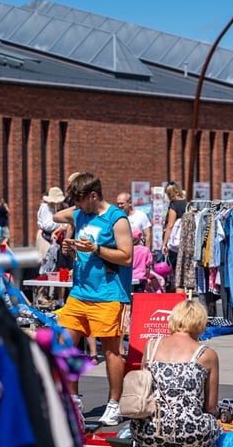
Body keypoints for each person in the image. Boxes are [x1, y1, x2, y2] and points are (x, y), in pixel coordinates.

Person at [55, 172, 133, 426]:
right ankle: (73, 402)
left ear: (93, 195)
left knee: (112, 351)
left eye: (79, 200)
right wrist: (70, 246)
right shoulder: (79, 214)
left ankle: (114, 403)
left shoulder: (116, 219)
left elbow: (127, 257)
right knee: (65, 344)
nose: (76, 206)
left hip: (109, 295)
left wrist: (96, 249)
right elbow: (57, 216)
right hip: (79, 293)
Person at [129, 299, 221, 447]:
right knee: (212, 424)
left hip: (149, 430)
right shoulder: (207, 354)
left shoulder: (151, 345)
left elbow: (142, 390)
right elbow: (211, 408)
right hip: (187, 433)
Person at [161, 181, 187, 276]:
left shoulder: (174, 205)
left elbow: (170, 225)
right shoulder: (187, 204)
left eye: (169, 194)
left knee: (177, 274)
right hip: (186, 242)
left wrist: (164, 243)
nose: (169, 197)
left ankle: (178, 291)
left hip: (175, 244)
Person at [35, 185, 66, 261]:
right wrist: (62, 223)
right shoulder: (46, 207)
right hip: (45, 237)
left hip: (46, 236)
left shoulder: (50, 207)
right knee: (46, 262)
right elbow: (47, 225)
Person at [130, 228, 153, 293]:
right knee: (139, 296)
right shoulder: (145, 250)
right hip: (141, 278)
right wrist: (147, 277)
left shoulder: (128, 250)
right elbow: (147, 266)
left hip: (129, 277)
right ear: (140, 237)